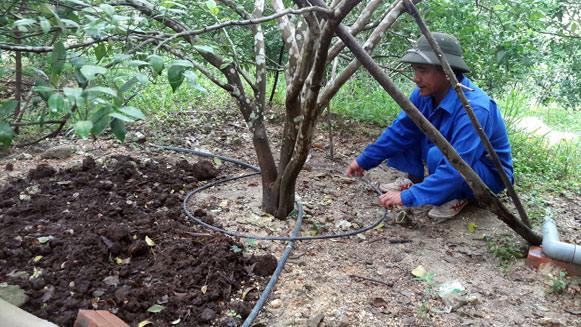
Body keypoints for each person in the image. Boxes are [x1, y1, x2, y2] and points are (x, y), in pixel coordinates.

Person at [345, 32, 514, 222]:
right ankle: (415, 181)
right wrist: (365, 160)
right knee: (412, 129)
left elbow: (460, 164)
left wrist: (407, 198)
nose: (416, 78)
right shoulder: (425, 93)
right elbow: (400, 131)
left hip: (486, 174)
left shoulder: (475, 109)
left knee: (436, 154)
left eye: (423, 71)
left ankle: (455, 196)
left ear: (446, 71)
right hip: (456, 160)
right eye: (415, 70)